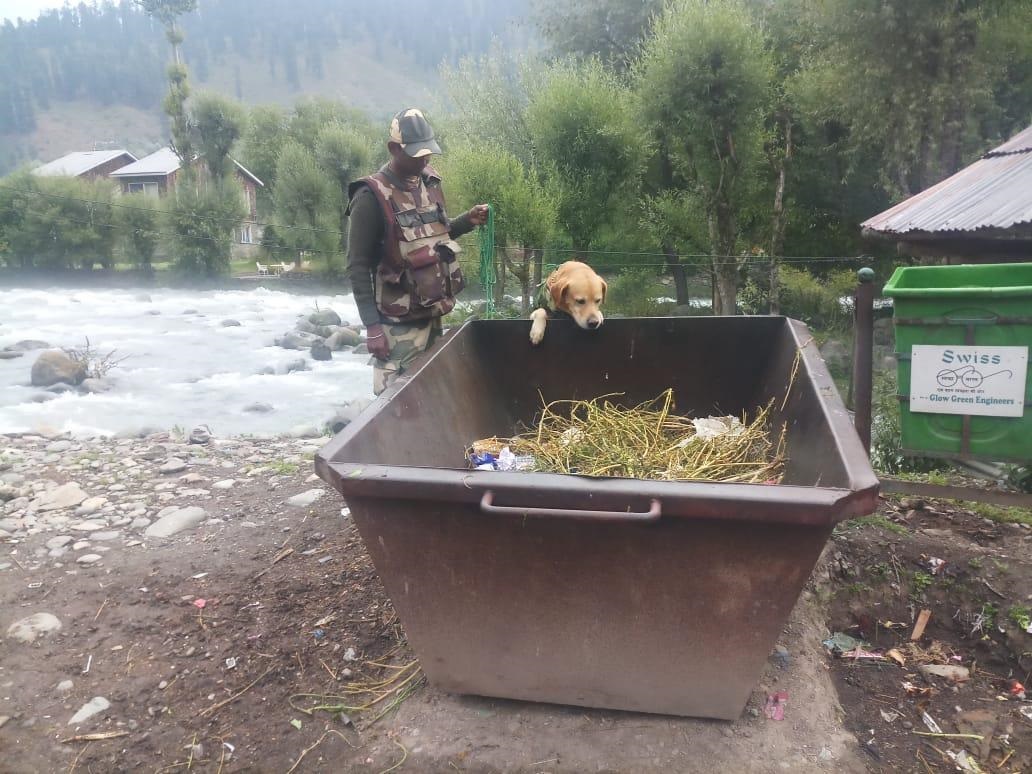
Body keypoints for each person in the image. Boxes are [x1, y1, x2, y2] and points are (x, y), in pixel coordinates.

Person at [347, 108, 488, 395]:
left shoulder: (430, 183)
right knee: (396, 405)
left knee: (433, 395)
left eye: (428, 152)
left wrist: (466, 221)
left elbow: (436, 236)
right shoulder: (370, 197)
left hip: (433, 313)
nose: (425, 159)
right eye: (417, 154)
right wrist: (372, 328)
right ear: (393, 149)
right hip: (395, 326)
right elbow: (357, 265)